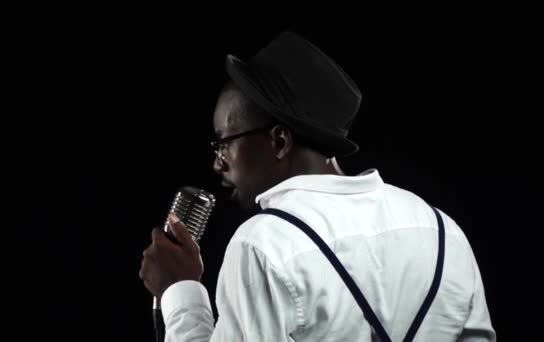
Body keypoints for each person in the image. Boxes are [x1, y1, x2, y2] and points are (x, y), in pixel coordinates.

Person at [139, 31, 496, 341]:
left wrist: (179, 291)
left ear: (279, 141)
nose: (217, 162)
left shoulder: (263, 243)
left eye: (224, 143)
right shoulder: (442, 230)